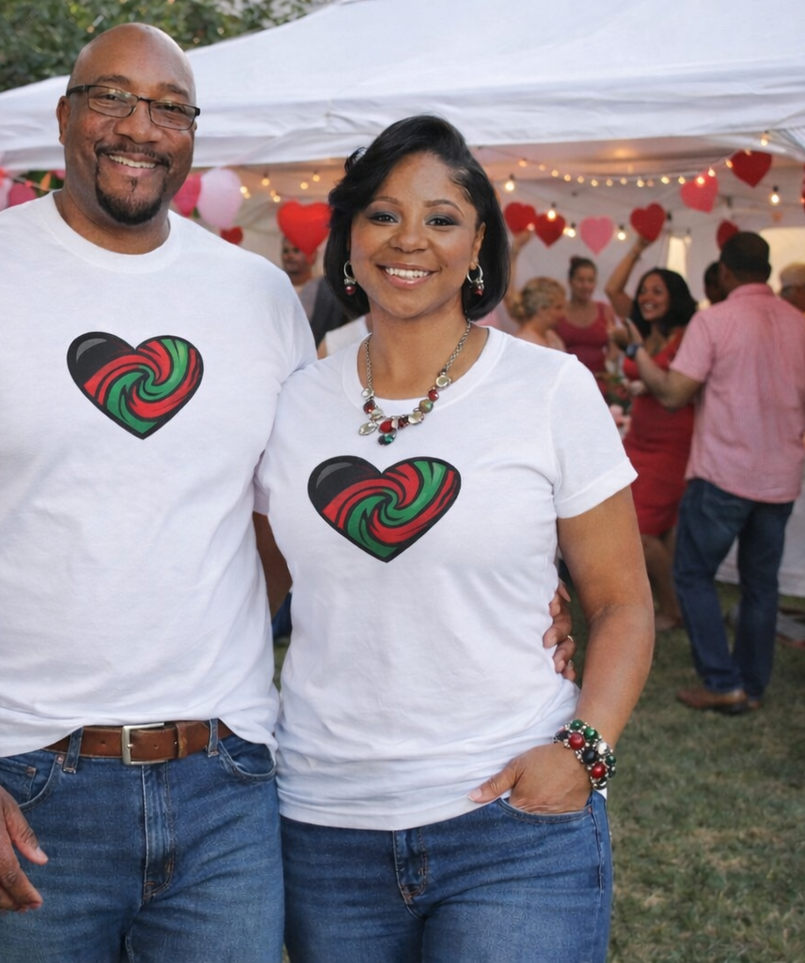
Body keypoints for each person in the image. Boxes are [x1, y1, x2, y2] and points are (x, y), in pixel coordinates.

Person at [0, 26, 572, 961]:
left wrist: (521, 600)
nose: (139, 127)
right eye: (111, 97)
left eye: (170, 108)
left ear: (192, 133)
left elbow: (302, 514)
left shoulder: (256, 296)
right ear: (63, 115)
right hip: (22, 779)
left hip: (228, 783)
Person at [254, 115, 653, 963]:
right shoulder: (291, 400)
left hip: (512, 822)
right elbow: (252, 585)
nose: (409, 240)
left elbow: (621, 602)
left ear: (477, 245)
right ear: (350, 239)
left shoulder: (548, 387)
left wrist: (582, 752)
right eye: (382, 214)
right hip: (324, 826)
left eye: (441, 218)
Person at [627, 232, 805, 713]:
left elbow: (673, 393)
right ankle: (752, 686)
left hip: (722, 472)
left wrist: (637, 356)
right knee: (761, 583)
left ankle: (723, 681)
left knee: (693, 574)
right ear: (767, 270)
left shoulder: (714, 320)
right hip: (780, 475)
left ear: (724, 272)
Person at [608, 269, 698, 631]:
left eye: (657, 291)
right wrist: (639, 385)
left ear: (675, 296)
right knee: (657, 528)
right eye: (644, 290)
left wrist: (642, 364)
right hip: (639, 437)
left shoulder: (688, 335)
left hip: (672, 442)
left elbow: (682, 386)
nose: (647, 297)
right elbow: (613, 289)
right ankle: (677, 604)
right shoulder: (644, 332)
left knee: (642, 530)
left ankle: (673, 610)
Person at [557, 255, 618, 376]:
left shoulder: (604, 309)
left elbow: (614, 347)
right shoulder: (559, 310)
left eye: (590, 280)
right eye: (580, 280)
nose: (585, 286)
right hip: (567, 377)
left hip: (600, 377)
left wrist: (609, 370)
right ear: (570, 281)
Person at [510, 276, 568, 350]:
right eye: (558, 308)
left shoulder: (551, 335)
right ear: (542, 310)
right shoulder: (524, 343)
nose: (562, 314)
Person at [282, 236, 322, 326]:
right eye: (285, 251)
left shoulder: (324, 290)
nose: (289, 256)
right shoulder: (275, 287)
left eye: (296, 251)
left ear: (312, 255)